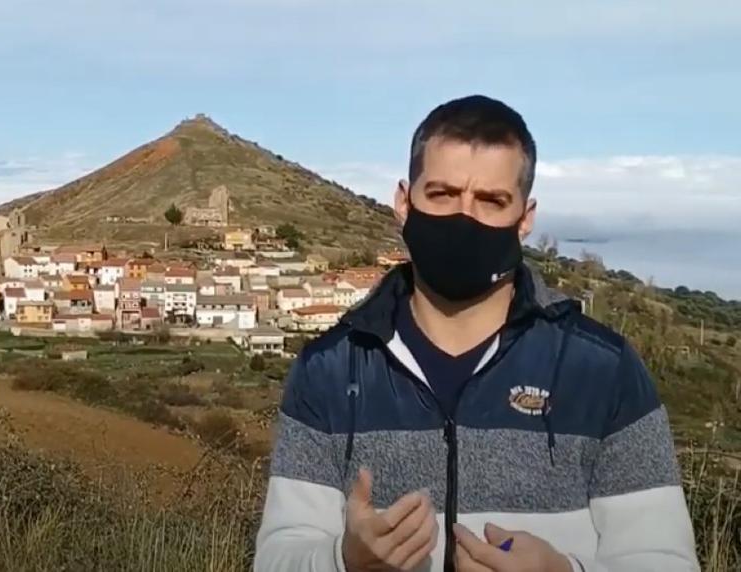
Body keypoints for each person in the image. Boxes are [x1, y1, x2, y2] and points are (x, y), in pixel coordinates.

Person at [254, 95, 699, 572]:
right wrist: (344, 561)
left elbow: (666, 561)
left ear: (525, 219)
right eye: (442, 194)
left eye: (491, 201)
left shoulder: (604, 370)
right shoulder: (329, 369)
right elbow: (278, 557)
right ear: (404, 203)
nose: (464, 218)